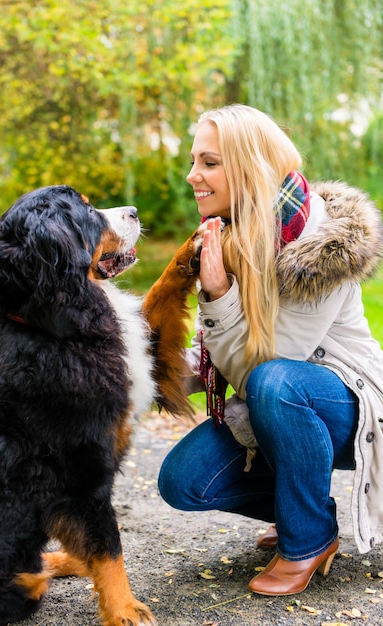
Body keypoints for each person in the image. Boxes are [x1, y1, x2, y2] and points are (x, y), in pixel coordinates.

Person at [157, 103, 383, 596]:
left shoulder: (317, 246)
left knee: (274, 384)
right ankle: (303, 508)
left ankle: (306, 540)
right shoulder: (232, 231)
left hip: (348, 402)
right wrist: (146, 372)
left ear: (249, 165)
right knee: (182, 481)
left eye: (210, 163)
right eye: (195, 160)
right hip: (279, 400)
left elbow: (268, 362)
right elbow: (213, 353)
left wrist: (218, 297)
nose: (193, 175)